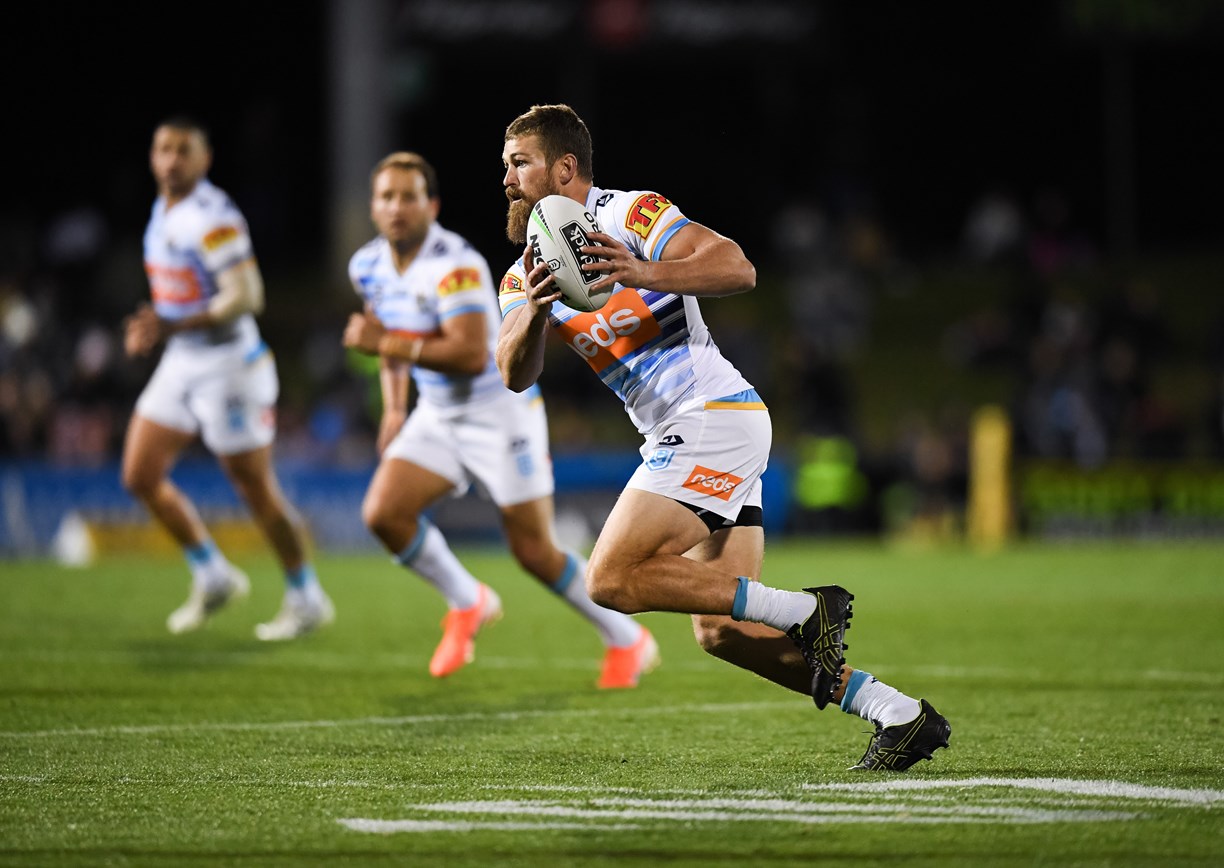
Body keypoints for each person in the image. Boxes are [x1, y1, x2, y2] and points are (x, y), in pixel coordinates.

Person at [495, 104, 951, 770]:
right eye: (505, 166)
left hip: (711, 415)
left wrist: (642, 271)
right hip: (686, 432)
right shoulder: (523, 275)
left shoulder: (629, 215)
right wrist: (536, 312)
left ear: (565, 168)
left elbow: (737, 268)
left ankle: (803, 609)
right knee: (721, 632)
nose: (506, 179)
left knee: (610, 577)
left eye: (519, 163)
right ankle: (898, 714)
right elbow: (514, 373)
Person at [341, 151, 658, 688]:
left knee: (534, 552)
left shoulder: (455, 265)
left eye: (408, 197)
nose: (396, 207)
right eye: (386, 197)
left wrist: (386, 344)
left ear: (431, 206)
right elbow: (386, 334)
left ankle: (627, 637)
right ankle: (469, 600)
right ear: (373, 207)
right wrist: (394, 407)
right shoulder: (367, 265)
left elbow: (470, 354)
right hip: (438, 413)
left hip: (499, 414)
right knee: (384, 514)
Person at [122, 116, 334, 641]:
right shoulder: (162, 210)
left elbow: (247, 295)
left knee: (255, 488)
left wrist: (170, 324)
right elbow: (180, 290)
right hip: (182, 360)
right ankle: (213, 574)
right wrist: (154, 326)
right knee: (140, 474)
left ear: (205, 159)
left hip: (230, 368)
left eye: (184, 150)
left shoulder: (213, 216)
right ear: (152, 156)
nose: (172, 160)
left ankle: (307, 596)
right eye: (164, 149)